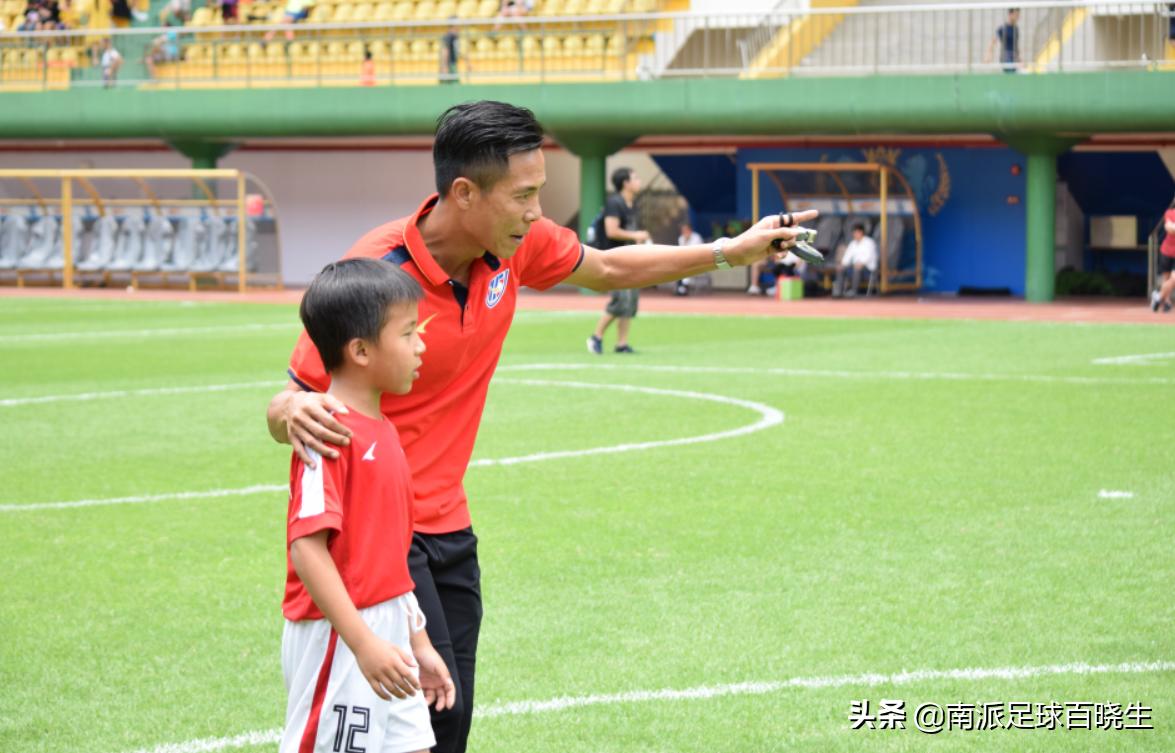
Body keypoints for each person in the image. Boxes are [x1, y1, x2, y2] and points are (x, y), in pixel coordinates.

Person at [266, 100, 813, 753]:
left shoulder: (515, 246)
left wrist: (729, 251)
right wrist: (285, 410)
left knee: (450, 712)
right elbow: (296, 399)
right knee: (414, 719)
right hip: (381, 531)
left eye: (539, 194)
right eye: (523, 195)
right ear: (463, 192)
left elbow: (607, 267)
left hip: (450, 527)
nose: (536, 212)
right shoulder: (377, 276)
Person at [281, 258, 455, 753]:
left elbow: (391, 561)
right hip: (339, 634)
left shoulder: (385, 431)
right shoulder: (326, 431)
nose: (421, 345)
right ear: (359, 350)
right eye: (407, 334)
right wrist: (362, 643)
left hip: (388, 628)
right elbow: (307, 550)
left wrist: (416, 642)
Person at [587, 167, 649, 355]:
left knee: (630, 301)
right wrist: (636, 234)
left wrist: (638, 239)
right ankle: (596, 337)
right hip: (615, 258)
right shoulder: (614, 203)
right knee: (620, 300)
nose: (638, 181)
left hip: (631, 257)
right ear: (625, 183)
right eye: (635, 177)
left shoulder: (632, 204)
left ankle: (622, 344)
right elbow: (611, 231)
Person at [833, 223, 878, 297]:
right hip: (854, 266)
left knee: (856, 268)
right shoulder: (852, 243)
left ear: (861, 232)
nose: (854, 235)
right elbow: (847, 256)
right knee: (841, 269)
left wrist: (861, 263)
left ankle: (854, 291)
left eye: (856, 233)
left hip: (868, 269)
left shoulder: (869, 242)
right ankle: (838, 292)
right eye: (854, 233)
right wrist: (843, 264)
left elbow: (869, 257)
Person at [1152, 199, 1175, 313]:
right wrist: (1172, 227)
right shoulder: (1169, 213)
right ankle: (1166, 302)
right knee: (1166, 279)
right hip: (1167, 251)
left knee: (1174, 278)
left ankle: (1158, 297)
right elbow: (1169, 229)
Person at [986, 8, 1020, 73]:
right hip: (1006, 56)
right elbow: (993, 41)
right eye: (1016, 15)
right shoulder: (1002, 28)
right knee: (1009, 73)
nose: (1017, 17)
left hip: (1014, 57)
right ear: (1010, 14)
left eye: (1018, 15)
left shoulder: (1016, 29)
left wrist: (1020, 59)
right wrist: (989, 55)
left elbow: (1016, 45)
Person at [674, 220, 703, 296]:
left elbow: (696, 251)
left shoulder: (696, 237)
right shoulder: (681, 238)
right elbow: (681, 251)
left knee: (686, 268)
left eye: (686, 230)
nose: (684, 232)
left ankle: (683, 288)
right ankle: (681, 288)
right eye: (683, 230)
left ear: (690, 230)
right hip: (684, 261)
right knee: (679, 268)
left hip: (696, 261)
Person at [439, 19, 459, 84]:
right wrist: (445, 66)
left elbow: (457, 51)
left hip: (452, 64)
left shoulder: (454, 37)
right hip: (449, 65)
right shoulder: (448, 36)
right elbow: (445, 51)